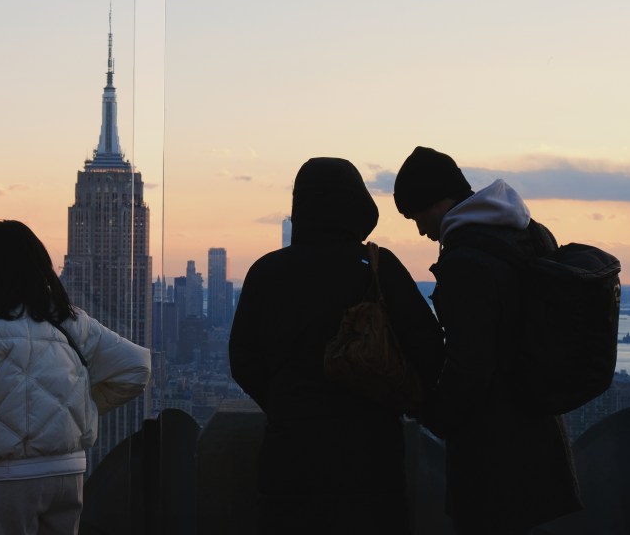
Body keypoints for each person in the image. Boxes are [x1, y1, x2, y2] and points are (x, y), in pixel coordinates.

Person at [229, 157, 445, 534]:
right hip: (372, 455)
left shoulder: (267, 272)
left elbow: (243, 361)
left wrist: (286, 402)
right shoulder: (379, 267)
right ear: (359, 206)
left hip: (291, 455)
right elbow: (428, 348)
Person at [392, 146, 582, 534]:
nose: (420, 230)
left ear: (439, 200)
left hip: (492, 446)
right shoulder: (528, 232)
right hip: (538, 426)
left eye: (417, 215)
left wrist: (436, 416)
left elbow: (470, 364)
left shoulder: (466, 260)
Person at [0, 219, 151, 535]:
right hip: (69, 471)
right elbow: (137, 368)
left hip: (9, 475)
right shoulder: (72, 321)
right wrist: (74, 407)